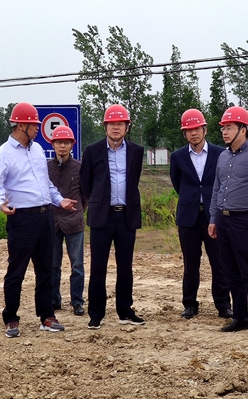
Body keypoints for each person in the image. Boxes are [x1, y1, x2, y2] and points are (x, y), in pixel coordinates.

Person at [0, 102, 76, 338]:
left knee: (46, 270)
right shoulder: (3, 154)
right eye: (34, 125)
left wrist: (59, 200)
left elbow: (46, 183)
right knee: (16, 271)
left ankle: (46, 316)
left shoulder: (37, 150)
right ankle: (11, 318)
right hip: (22, 218)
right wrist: (0, 204)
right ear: (20, 125)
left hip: (45, 216)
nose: (38, 128)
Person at [208, 106, 248, 338]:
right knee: (230, 272)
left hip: (245, 220)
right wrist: (213, 218)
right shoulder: (223, 156)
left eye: (229, 127)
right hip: (223, 220)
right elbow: (217, 188)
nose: (224, 132)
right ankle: (240, 316)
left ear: (243, 129)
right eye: (223, 128)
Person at [80, 104, 145, 330]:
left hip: (126, 216)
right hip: (102, 217)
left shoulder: (136, 151)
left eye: (120, 123)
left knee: (125, 267)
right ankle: (96, 313)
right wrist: (98, 201)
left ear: (127, 126)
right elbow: (86, 183)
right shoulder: (93, 150)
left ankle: (125, 310)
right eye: (111, 124)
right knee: (98, 267)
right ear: (105, 126)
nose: (116, 127)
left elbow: (134, 180)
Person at [170, 109, 232, 320]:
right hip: (188, 217)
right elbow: (177, 184)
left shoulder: (220, 153)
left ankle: (223, 305)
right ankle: (190, 304)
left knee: (219, 262)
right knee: (190, 264)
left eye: (197, 128)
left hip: (213, 217)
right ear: (184, 133)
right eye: (189, 130)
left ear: (205, 129)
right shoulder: (178, 156)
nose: (193, 133)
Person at [47, 125, 88, 316]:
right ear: (52, 144)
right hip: (51, 223)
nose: (62, 146)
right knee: (52, 265)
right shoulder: (45, 168)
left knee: (77, 265)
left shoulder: (80, 168)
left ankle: (77, 301)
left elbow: (86, 196)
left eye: (66, 142)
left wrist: (77, 212)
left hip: (74, 223)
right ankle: (54, 300)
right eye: (58, 142)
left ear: (72, 144)